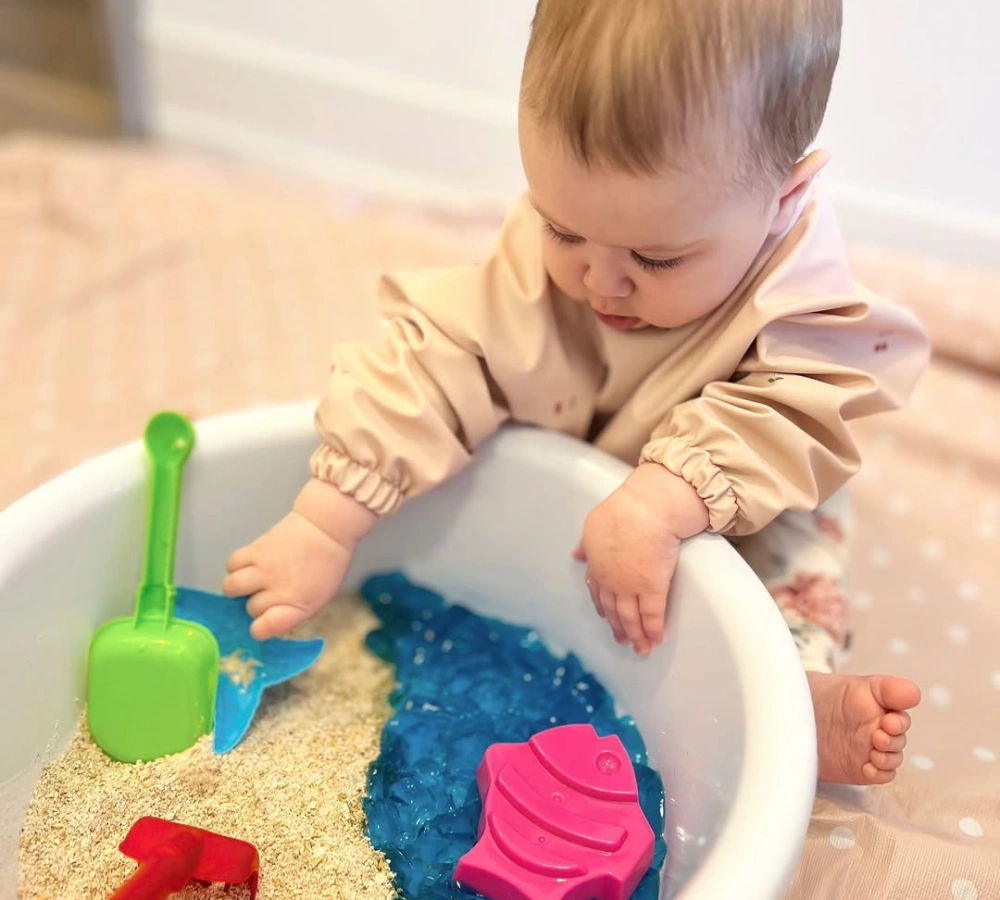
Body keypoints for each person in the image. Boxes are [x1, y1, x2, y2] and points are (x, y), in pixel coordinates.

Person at [223, 0, 928, 785]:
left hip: (733, 489)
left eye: (656, 260)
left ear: (783, 203)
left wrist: (667, 500)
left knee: (799, 567)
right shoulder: (565, 253)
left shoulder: (799, 291)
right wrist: (328, 519)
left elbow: (802, 409)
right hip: (578, 444)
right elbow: (442, 356)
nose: (599, 279)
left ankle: (793, 706)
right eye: (562, 230)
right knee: (430, 440)